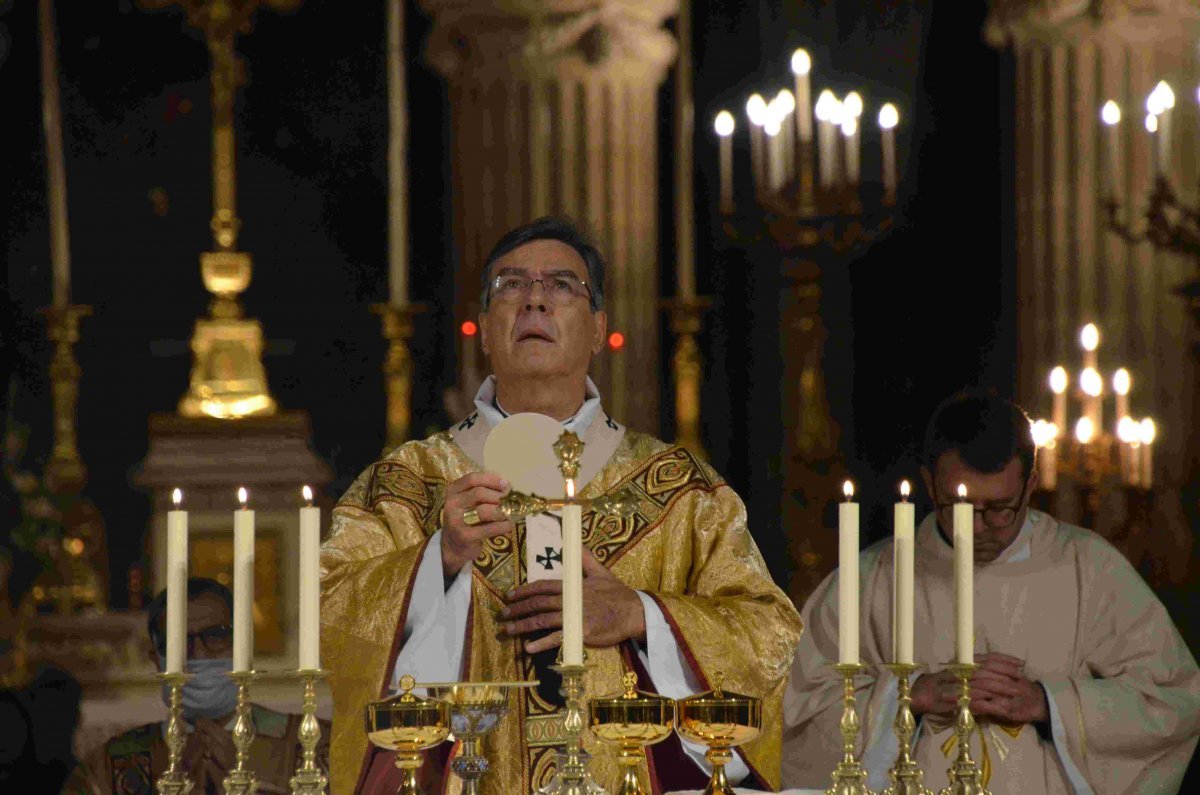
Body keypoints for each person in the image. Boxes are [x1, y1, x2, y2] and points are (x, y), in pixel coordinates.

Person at [321, 217, 803, 794]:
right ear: (484, 329)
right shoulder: (406, 484)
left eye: (562, 285)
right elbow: (330, 616)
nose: (534, 300)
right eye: (511, 285)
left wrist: (642, 616)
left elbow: (769, 633)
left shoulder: (682, 491)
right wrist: (438, 562)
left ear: (598, 328)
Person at [782, 390, 1200, 794]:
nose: (977, 528)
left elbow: (1174, 702)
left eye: (1000, 509)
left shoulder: (1089, 568)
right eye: (959, 508)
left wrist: (1048, 704)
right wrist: (910, 696)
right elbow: (795, 721)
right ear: (930, 485)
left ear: (1031, 483)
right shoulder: (870, 580)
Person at [62, 577, 329, 794]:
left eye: (216, 635)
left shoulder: (318, 748)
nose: (198, 655)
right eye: (179, 641)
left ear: (243, 648)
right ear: (156, 658)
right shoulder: (108, 768)